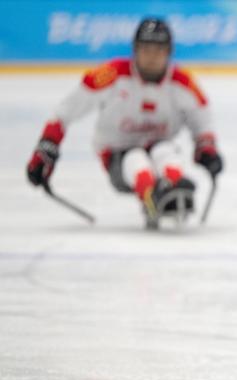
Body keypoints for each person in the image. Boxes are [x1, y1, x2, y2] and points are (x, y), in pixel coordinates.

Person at [26, 18, 224, 227]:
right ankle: (152, 193)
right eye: (146, 49)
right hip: (116, 154)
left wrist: (207, 149)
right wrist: (47, 145)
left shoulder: (183, 83)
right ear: (135, 50)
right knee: (135, 158)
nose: (152, 57)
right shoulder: (110, 75)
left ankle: (172, 184)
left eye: (159, 50)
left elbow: (202, 120)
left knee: (165, 151)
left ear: (169, 52)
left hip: (159, 147)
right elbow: (65, 111)